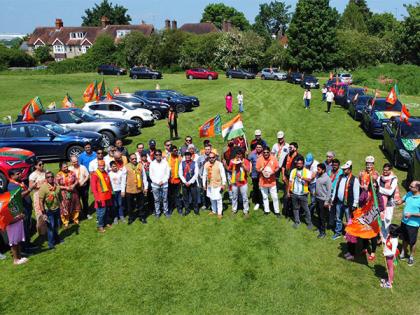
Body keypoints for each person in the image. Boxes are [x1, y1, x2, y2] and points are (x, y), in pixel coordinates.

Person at [330, 161, 360, 240]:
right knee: (338, 218)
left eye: (345, 169)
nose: (343, 171)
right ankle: (338, 232)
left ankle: (349, 233)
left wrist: (354, 204)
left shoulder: (354, 179)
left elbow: (356, 193)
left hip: (348, 204)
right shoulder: (340, 177)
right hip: (339, 202)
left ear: (350, 170)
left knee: (349, 220)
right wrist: (333, 199)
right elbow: (336, 188)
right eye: (343, 169)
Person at [7, 169, 35, 253]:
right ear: (12, 176)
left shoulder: (19, 183)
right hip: (22, 210)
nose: (20, 175)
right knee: (24, 229)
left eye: (20, 173)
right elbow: (18, 196)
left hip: (27, 208)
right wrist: (30, 189)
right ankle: (24, 248)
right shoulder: (12, 185)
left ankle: (28, 244)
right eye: (17, 174)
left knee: (27, 227)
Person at [396, 181, 420, 266]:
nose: (409, 187)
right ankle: (403, 252)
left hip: (413, 224)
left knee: (412, 242)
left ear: (417, 188)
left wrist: (412, 214)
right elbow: (402, 200)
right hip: (404, 221)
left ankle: (411, 257)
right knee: (404, 238)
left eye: (411, 186)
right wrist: (398, 202)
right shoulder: (409, 193)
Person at [121, 154, 149, 224]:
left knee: (141, 204)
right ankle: (131, 218)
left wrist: (146, 187)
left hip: (140, 189)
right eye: (132, 159)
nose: (134, 160)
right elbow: (123, 179)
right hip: (129, 189)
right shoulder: (126, 167)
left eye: (135, 158)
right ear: (129, 160)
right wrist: (123, 190)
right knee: (130, 205)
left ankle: (142, 217)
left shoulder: (140, 165)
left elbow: (144, 177)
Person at [38, 171, 62, 249]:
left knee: (57, 225)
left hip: (57, 209)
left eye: (51, 176)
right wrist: (43, 213)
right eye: (48, 177)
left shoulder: (57, 186)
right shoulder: (43, 188)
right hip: (48, 211)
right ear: (46, 179)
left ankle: (57, 239)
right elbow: (41, 201)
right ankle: (51, 244)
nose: (50, 178)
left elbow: (60, 197)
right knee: (50, 227)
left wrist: (62, 207)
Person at [289, 156, 313, 228]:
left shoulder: (307, 171)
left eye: (300, 164)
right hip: (294, 193)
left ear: (303, 164)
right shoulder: (293, 171)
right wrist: (288, 192)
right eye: (298, 164)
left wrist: (301, 177)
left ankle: (309, 223)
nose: (299, 165)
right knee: (295, 208)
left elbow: (310, 180)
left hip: (303, 194)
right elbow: (290, 182)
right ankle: (297, 221)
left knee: (306, 209)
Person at [378, 163, 400, 239]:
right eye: (384, 170)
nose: (385, 172)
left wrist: (379, 189)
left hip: (390, 202)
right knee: (381, 219)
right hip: (380, 202)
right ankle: (381, 235)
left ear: (390, 170)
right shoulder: (380, 178)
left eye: (387, 171)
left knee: (387, 220)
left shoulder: (394, 179)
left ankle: (386, 236)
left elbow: (390, 192)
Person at [56, 161, 81, 228]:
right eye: (64, 167)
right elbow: (57, 185)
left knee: (75, 205)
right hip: (64, 193)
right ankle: (66, 221)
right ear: (61, 168)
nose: (66, 168)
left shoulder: (72, 172)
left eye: (67, 166)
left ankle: (75, 219)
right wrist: (65, 187)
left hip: (73, 192)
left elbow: (76, 180)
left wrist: (74, 185)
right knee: (65, 207)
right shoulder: (58, 175)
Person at [281, 142, 304, 217]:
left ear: (295, 148)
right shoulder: (287, 156)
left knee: (295, 195)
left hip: (295, 179)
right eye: (289, 147)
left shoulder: (299, 157)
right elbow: (283, 166)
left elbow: (301, 169)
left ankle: (296, 211)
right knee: (286, 195)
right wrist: (283, 176)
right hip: (287, 179)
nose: (289, 148)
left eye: (291, 147)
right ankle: (286, 211)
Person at [5, 191, 27, 265]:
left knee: (18, 241)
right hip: (11, 226)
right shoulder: (3, 207)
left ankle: (19, 257)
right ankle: (15, 259)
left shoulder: (12, 204)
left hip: (17, 224)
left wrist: (20, 216)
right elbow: (7, 221)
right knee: (14, 243)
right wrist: (18, 218)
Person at [90, 160, 113, 232]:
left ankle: (106, 223)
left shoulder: (105, 172)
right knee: (101, 212)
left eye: (103, 165)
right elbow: (94, 188)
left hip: (107, 196)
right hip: (100, 197)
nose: (102, 167)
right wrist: (97, 198)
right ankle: (100, 226)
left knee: (106, 211)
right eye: (100, 166)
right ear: (98, 166)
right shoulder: (95, 175)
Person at [256, 147, 280, 217]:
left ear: (269, 152)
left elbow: (277, 167)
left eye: (267, 152)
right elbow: (257, 169)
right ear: (262, 153)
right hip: (263, 182)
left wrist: (273, 172)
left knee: (275, 197)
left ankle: (277, 211)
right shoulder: (259, 159)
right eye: (264, 152)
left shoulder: (273, 158)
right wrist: (261, 170)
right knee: (265, 197)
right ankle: (267, 210)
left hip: (272, 182)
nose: (266, 154)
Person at [203, 152, 226, 219]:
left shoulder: (219, 164)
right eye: (210, 157)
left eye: (213, 157)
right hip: (209, 185)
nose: (211, 159)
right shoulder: (206, 164)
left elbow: (223, 175)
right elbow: (204, 174)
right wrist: (204, 184)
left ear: (215, 157)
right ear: (208, 158)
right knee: (211, 198)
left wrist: (223, 184)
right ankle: (214, 210)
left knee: (218, 199)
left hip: (218, 184)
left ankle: (219, 213)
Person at [229, 149, 251, 217]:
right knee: (234, 197)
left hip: (243, 183)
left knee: (244, 197)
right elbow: (229, 169)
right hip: (235, 183)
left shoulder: (246, 161)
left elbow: (248, 170)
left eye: (240, 154)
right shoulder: (232, 161)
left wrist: (242, 164)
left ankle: (246, 210)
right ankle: (234, 210)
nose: (239, 156)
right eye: (237, 154)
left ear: (242, 154)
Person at [149, 150, 170, 217]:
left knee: (165, 199)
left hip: (164, 184)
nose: (158, 156)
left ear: (161, 155)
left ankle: (165, 211)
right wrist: (158, 182)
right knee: (156, 200)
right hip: (155, 185)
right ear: (154, 155)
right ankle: (157, 212)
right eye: (156, 154)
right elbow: (151, 175)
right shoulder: (152, 163)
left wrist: (163, 181)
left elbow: (167, 174)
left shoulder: (165, 163)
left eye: (159, 154)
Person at [314, 163, 332, 238]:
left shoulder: (327, 178)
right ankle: (319, 228)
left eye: (319, 169)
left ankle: (323, 232)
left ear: (323, 170)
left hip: (323, 200)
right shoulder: (318, 176)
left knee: (322, 216)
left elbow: (329, 191)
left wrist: (327, 201)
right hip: (317, 198)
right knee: (318, 214)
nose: (317, 171)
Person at [179, 151, 199, 215]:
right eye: (186, 155)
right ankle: (187, 209)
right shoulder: (182, 163)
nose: (187, 156)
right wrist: (185, 182)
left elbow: (196, 174)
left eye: (189, 155)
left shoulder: (194, 163)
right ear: (185, 156)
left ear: (191, 156)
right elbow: (180, 173)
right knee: (185, 197)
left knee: (194, 197)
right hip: (184, 183)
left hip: (192, 183)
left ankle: (196, 209)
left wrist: (190, 182)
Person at [381, 224, 400, 289]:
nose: (388, 230)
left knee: (390, 269)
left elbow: (393, 252)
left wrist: (385, 254)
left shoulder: (394, 240)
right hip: (387, 255)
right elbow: (386, 242)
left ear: (392, 231)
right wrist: (382, 238)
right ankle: (388, 279)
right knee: (388, 268)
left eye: (389, 229)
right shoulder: (390, 236)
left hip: (390, 257)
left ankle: (389, 283)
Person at [28, 159, 46, 225]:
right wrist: (40, 186)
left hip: (46, 193)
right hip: (38, 194)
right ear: (35, 166)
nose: (42, 165)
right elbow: (30, 186)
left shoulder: (46, 171)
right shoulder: (33, 175)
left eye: (43, 164)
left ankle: (50, 223)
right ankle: (41, 227)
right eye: (40, 164)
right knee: (39, 210)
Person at [167, 145, 182, 215]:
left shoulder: (179, 158)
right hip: (169, 180)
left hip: (177, 180)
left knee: (178, 195)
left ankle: (179, 209)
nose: (176, 152)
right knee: (170, 195)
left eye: (176, 150)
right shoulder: (167, 158)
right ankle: (170, 209)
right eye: (174, 151)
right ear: (171, 151)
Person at [327, 159, 342, 229]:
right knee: (331, 208)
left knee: (338, 209)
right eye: (333, 165)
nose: (334, 166)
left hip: (338, 193)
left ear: (339, 165)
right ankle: (331, 223)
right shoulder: (330, 171)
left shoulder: (341, 172)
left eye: (336, 165)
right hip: (330, 192)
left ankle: (337, 224)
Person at [248, 144, 263, 210]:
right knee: (256, 188)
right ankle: (257, 202)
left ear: (262, 148)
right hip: (254, 174)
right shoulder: (252, 154)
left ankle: (263, 201)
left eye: (260, 147)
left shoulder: (264, 154)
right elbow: (250, 162)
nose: (258, 148)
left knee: (262, 188)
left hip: (263, 175)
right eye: (257, 147)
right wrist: (250, 170)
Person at [197, 145, 212, 210]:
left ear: (211, 149)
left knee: (210, 190)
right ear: (204, 150)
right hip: (202, 176)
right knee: (203, 191)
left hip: (210, 177)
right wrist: (199, 174)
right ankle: (204, 204)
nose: (207, 150)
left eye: (208, 149)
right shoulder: (200, 157)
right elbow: (197, 166)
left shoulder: (213, 157)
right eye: (206, 149)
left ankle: (211, 203)